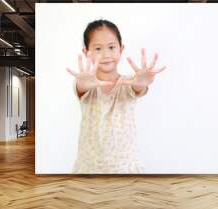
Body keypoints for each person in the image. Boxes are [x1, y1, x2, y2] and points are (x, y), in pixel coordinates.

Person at [66, 19, 166, 174]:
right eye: (98, 48)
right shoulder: (85, 86)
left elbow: (139, 88)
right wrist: (82, 82)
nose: (106, 54)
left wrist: (142, 82)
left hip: (127, 168)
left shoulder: (129, 83)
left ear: (121, 48)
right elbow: (81, 87)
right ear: (86, 52)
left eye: (111, 47)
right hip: (89, 169)